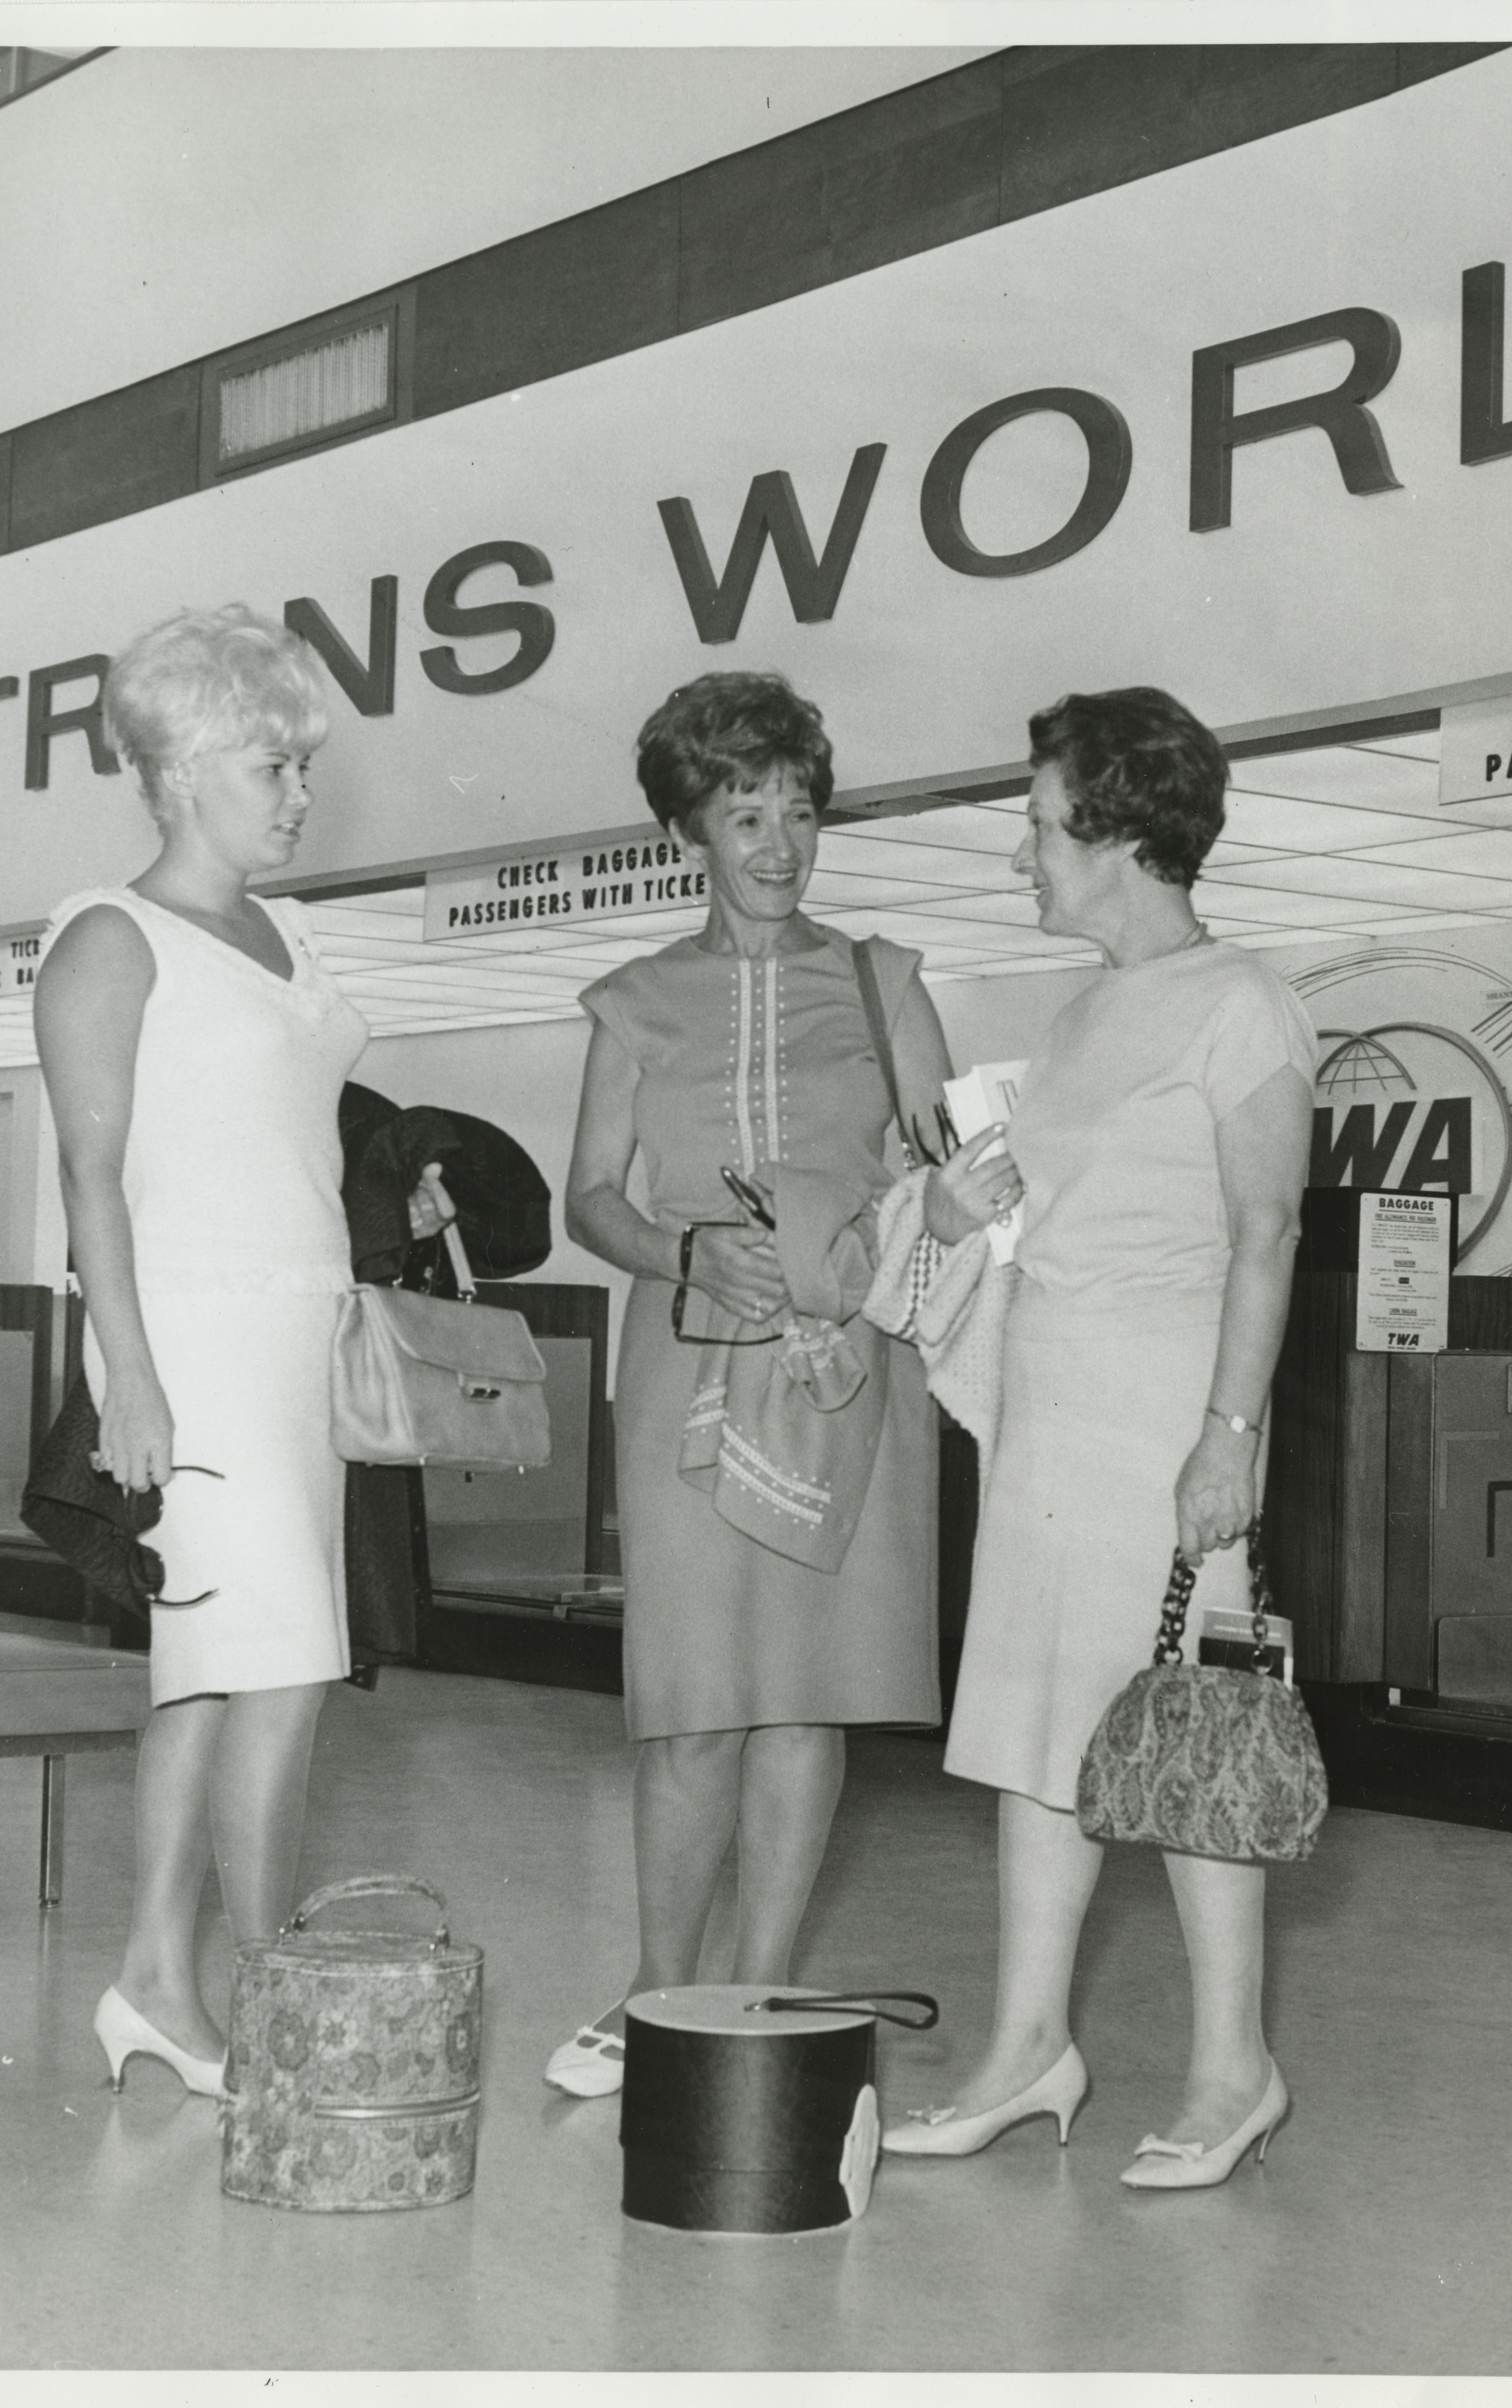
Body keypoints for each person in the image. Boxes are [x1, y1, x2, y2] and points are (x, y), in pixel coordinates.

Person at [879, 685, 1315, 2190]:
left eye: (1039, 822)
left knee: (1183, 1738)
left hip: (1164, 1418)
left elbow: (1267, 1236)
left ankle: (1229, 2069)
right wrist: (966, 1210)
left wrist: (1227, 1436)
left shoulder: (1241, 1000)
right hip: (1049, 1420)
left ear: (1120, 830)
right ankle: (1025, 2049)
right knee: (1033, 1740)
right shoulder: (1073, 1018)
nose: (1021, 854)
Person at [33, 604, 451, 2097]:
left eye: (301, 767)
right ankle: (276, 1995)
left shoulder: (290, 933)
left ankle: (156, 1977)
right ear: (185, 766)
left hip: (299, 1329)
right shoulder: (109, 937)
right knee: (279, 1667)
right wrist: (126, 1378)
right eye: (273, 765)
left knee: (208, 1671)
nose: (298, 794)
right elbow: (90, 1181)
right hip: (191, 1339)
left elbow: (288, 1117)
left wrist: (390, 1185)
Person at [546, 670, 953, 2097]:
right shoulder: (634, 1002)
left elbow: (943, 1187)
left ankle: (762, 1991)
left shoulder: (883, 981)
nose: (778, 843)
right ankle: (661, 1994)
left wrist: (881, 1228)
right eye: (742, 813)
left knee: (804, 1697)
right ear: (687, 830)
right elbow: (583, 1200)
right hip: (688, 1365)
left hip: (848, 1377)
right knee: (694, 1697)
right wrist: (682, 1250)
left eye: (797, 810)